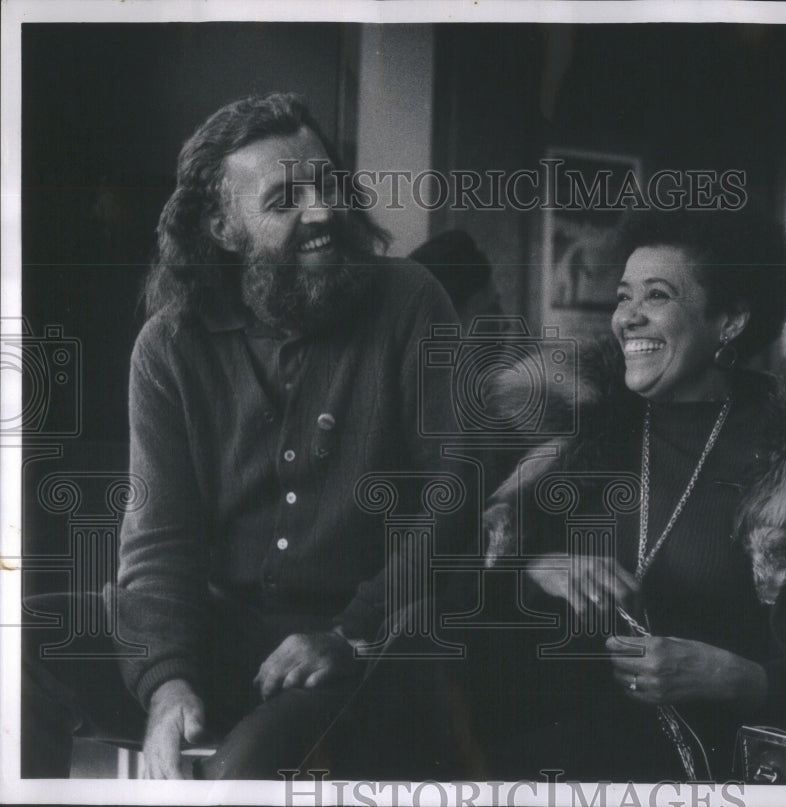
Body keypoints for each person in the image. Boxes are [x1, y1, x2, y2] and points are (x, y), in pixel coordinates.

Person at [22, 92, 468, 780]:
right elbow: (159, 538)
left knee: (245, 769)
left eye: (328, 184)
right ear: (223, 228)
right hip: (217, 635)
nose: (322, 211)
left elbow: (451, 497)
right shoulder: (168, 346)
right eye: (286, 198)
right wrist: (166, 681)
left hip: (358, 648)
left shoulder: (412, 299)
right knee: (20, 644)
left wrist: (354, 631)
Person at [479, 208, 786, 780]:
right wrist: (537, 566)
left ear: (729, 321)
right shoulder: (582, 428)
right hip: (542, 735)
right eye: (625, 297)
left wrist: (724, 674)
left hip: (702, 766)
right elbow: (467, 589)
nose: (629, 318)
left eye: (658, 296)